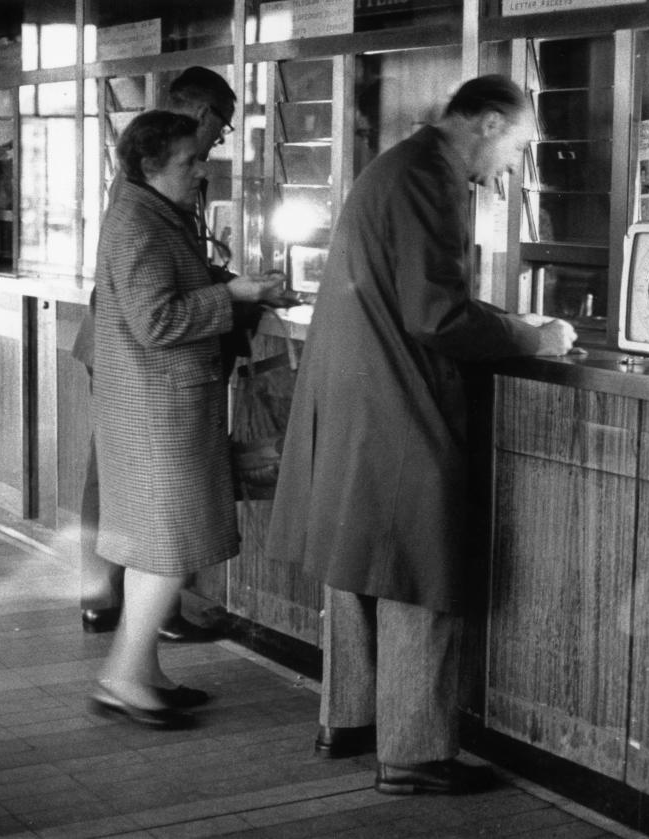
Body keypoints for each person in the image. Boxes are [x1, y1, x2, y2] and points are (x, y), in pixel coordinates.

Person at [265, 74, 577, 794]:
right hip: (397, 399)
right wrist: (533, 338)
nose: (512, 167)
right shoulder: (430, 177)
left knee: (358, 560)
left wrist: (506, 322)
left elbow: (421, 291)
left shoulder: (400, 166)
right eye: (518, 147)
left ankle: (347, 719)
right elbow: (436, 315)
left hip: (357, 394)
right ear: (488, 122)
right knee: (419, 564)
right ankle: (413, 751)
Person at [73, 66, 279, 641]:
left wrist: (228, 281)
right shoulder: (145, 186)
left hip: (133, 348)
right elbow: (154, 302)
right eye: (222, 128)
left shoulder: (164, 173)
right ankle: (117, 603)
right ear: (204, 114)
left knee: (131, 488)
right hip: (134, 358)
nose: (217, 144)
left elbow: (176, 265)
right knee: (130, 486)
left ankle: (129, 609)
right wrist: (229, 294)